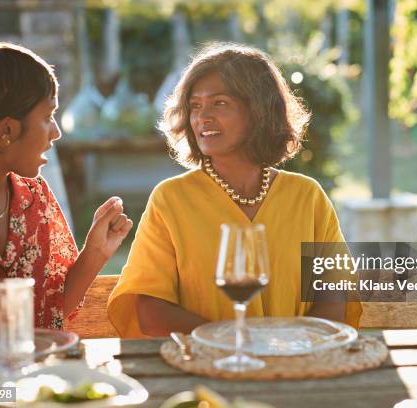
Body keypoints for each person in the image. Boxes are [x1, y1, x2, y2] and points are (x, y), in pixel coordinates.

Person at [107, 43, 361, 337]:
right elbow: (150, 310)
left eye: (220, 103)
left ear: (259, 110)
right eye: (195, 105)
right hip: (204, 370)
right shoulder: (171, 200)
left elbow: (333, 299)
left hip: (298, 368)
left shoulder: (307, 197)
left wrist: (291, 349)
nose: (203, 117)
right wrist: (238, 343)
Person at [0, 41, 133, 331]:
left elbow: (49, 314)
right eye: (47, 117)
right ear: (7, 130)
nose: (55, 133)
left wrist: (96, 252)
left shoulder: (34, 197)